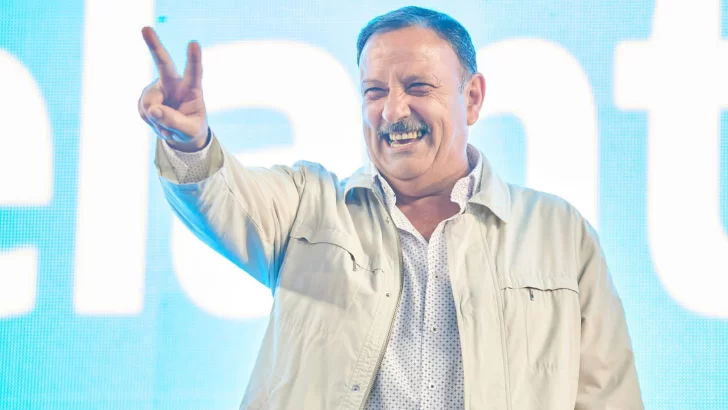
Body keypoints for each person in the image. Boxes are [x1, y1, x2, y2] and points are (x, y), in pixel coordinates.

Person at [138, 6, 644, 410]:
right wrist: (191, 144)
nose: (393, 110)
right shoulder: (308, 207)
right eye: (375, 91)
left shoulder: (558, 232)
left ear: (472, 98)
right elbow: (222, 199)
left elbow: (607, 396)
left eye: (418, 87)